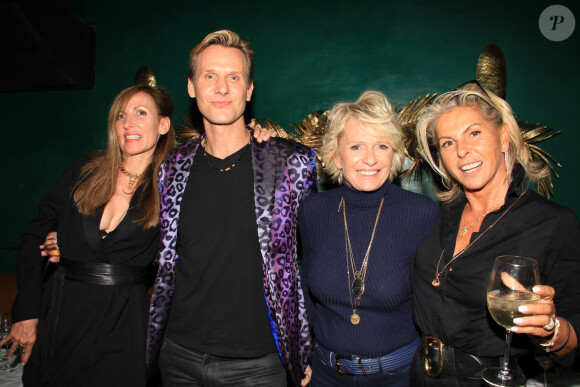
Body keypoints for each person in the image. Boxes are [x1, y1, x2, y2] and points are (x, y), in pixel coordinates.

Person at [146, 30, 316, 387]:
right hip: (177, 357)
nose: (221, 88)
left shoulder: (290, 164)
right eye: (210, 76)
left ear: (249, 89)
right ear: (192, 86)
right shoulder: (171, 166)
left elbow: (318, 256)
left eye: (233, 77)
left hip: (259, 364)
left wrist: (306, 344)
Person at [1, 84, 176, 386]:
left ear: (163, 124)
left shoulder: (174, 186)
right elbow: (33, 236)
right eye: (120, 116)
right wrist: (26, 312)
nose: (128, 123)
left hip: (124, 320)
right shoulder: (82, 170)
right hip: (62, 314)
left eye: (141, 113)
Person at [411, 80, 580, 386]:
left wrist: (552, 330)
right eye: (447, 143)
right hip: (422, 375)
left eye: (474, 133)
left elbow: (575, 332)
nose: (462, 151)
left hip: (490, 380)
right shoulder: (439, 214)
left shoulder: (552, 222)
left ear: (503, 137)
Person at [299, 90, 439, 385]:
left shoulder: (422, 214)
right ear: (336, 155)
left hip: (398, 376)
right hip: (325, 375)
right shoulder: (312, 211)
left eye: (381, 146)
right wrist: (302, 355)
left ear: (395, 153)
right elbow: (304, 293)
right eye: (356, 146)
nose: (371, 159)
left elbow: (438, 304)